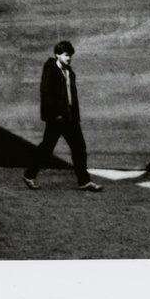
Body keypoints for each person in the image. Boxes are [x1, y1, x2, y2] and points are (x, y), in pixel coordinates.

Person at [22, 40, 103, 192]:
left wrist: (75, 116)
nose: (69, 58)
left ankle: (84, 181)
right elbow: (46, 94)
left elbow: (72, 97)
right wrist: (55, 115)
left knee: (79, 148)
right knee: (47, 148)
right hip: (57, 118)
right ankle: (29, 175)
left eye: (70, 56)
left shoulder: (69, 72)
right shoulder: (50, 69)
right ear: (57, 55)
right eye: (66, 55)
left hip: (70, 117)